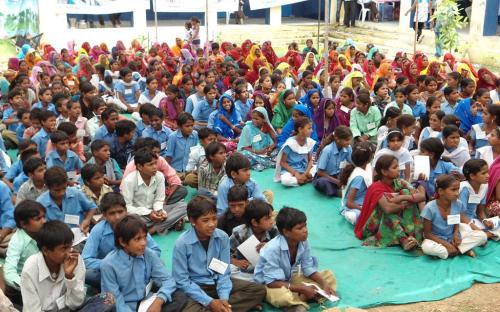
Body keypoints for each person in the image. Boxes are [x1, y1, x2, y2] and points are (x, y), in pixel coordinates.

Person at [172, 196, 266, 311]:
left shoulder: (222, 237)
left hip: (217, 282)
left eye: (214, 218)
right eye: (205, 220)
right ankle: (226, 308)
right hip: (195, 287)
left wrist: (224, 298)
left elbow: (224, 273)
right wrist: (209, 302)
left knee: (258, 290)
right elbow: (182, 281)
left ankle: (223, 307)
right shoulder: (182, 243)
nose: (212, 224)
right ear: (192, 221)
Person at [21, 220, 115, 312]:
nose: (69, 253)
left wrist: (70, 277)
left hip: (71, 309)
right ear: (45, 251)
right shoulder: (30, 268)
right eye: (63, 248)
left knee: (107, 298)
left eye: (70, 246)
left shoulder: (75, 259)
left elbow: (75, 304)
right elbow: (32, 309)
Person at [253, 207, 336, 311]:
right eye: (300, 228)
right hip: (268, 286)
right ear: (286, 232)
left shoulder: (303, 241)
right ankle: (300, 298)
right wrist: (302, 288)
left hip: (288, 279)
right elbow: (271, 282)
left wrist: (324, 284)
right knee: (283, 296)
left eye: (305, 225)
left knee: (328, 276)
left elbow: (308, 268)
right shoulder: (272, 249)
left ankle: (301, 298)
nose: (305, 230)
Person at [100, 215, 187, 311]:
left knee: (180, 296)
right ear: (122, 242)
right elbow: (115, 301)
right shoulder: (108, 265)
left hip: (146, 300)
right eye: (137, 239)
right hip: (127, 306)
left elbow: (168, 280)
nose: (144, 243)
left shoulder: (148, 253)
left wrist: (159, 301)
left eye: (144, 237)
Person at [82, 193, 160, 289]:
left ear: (126, 211)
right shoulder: (98, 230)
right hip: (112, 272)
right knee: (87, 275)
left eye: (120, 211)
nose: (117, 217)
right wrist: (114, 265)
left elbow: (155, 250)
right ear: (105, 215)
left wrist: (137, 261)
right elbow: (85, 260)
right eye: (112, 213)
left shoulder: (136, 225)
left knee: (159, 266)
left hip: (137, 267)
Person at [354, 155, 425, 250]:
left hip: (393, 219)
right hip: (374, 225)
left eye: (398, 166)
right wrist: (406, 202)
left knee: (406, 192)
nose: (399, 169)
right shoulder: (376, 188)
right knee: (388, 210)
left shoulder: (400, 182)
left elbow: (421, 196)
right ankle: (403, 239)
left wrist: (402, 198)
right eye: (395, 167)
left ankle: (413, 235)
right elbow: (388, 209)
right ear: (384, 172)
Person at [121, 148, 186, 235]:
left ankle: (153, 229)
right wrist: (148, 213)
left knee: (184, 206)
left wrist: (159, 211)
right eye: (150, 164)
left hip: (154, 213)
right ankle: (169, 224)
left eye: (155, 163)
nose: (155, 167)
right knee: (128, 220)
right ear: (140, 166)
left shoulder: (159, 176)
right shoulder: (129, 180)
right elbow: (127, 207)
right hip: (139, 215)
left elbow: (159, 200)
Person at [421, 175, 488, 259]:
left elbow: (456, 222)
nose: (457, 193)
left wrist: (456, 234)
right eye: (453, 190)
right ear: (441, 191)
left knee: (482, 236)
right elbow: (427, 234)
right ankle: (460, 250)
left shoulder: (458, 204)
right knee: (427, 247)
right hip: (436, 239)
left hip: (453, 237)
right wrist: (447, 244)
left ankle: (453, 251)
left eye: (458, 189)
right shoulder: (429, 208)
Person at [3, 200, 46, 305]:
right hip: (25, 282)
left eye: (43, 217)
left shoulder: (44, 231)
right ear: (23, 224)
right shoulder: (17, 241)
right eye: (38, 219)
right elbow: (9, 272)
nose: (44, 221)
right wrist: (28, 286)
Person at [36, 167, 96, 234]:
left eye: (64, 188)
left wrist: (86, 221)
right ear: (47, 186)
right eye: (57, 190)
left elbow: (92, 207)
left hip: (79, 235)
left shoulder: (76, 193)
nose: (62, 193)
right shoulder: (41, 203)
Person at [229, 199, 278, 281]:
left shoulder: (273, 230)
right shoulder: (239, 233)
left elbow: (282, 251)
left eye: (271, 217)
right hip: (246, 272)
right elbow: (223, 253)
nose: (271, 221)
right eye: (267, 218)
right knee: (229, 270)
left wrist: (269, 246)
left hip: (268, 269)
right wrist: (235, 261)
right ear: (255, 222)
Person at [460, 159, 500, 238]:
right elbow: (461, 215)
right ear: (472, 176)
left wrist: (485, 221)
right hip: (462, 222)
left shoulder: (484, 186)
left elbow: (480, 211)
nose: (488, 175)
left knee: (494, 228)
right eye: (483, 173)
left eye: (487, 172)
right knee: (480, 235)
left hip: (473, 220)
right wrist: (478, 230)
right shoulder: (465, 188)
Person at [275, 117, 316, 187]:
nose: (311, 131)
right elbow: (283, 162)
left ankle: (302, 179)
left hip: (304, 168)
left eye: (311, 128)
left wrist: (305, 173)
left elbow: (310, 161)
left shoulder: (309, 142)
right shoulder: (290, 143)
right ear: (300, 129)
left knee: (317, 168)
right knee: (285, 180)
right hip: (291, 170)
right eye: (309, 128)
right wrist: (296, 173)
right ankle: (305, 180)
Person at [339, 142, 374, 225]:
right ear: (369, 159)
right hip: (352, 207)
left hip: (362, 203)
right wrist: (363, 209)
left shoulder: (366, 168)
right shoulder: (359, 177)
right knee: (362, 216)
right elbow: (349, 203)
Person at [312, 126, 353, 197]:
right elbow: (320, 172)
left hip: (339, 176)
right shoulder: (328, 150)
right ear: (337, 139)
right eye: (346, 140)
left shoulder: (348, 148)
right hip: (326, 177)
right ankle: (337, 192)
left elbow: (352, 163)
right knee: (322, 183)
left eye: (350, 140)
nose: (349, 142)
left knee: (353, 173)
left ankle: (344, 188)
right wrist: (336, 181)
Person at [166, 113, 199, 185]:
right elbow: (169, 156)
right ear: (180, 127)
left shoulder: (195, 134)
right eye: (187, 126)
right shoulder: (173, 137)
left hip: (189, 170)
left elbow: (195, 153)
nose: (190, 128)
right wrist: (167, 172)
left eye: (192, 126)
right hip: (175, 170)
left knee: (195, 180)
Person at [0, 180, 17, 257]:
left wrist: (1, 235)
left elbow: (11, 216)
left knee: (19, 237)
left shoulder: (1, 187)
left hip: (2, 231)